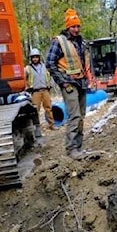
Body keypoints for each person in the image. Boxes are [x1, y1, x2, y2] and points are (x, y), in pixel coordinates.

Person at [46, 8, 91, 159]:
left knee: (81, 116)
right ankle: (71, 149)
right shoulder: (59, 42)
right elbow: (50, 63)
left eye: (78, 26)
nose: (76, 29)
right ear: (67, 27)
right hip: (69, 83)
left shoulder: (81, 42)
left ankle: (78, 147)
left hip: (81, 82)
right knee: (74, 116)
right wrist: (62, 82)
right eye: (73, 26)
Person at [26, 48, 56, 131]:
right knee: (35, 110)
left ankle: (52, 125)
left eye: (36, 57)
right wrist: (27, 88)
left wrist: (51, 85)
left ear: (39, 57)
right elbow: (24, 78)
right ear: (31, 58)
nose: (35, 59)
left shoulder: (45, 66)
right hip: (35, 92)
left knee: (49, 108)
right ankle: (37, 128)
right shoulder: (28, 68)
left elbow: (50, 76)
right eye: (33, 57)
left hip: (45, 90)